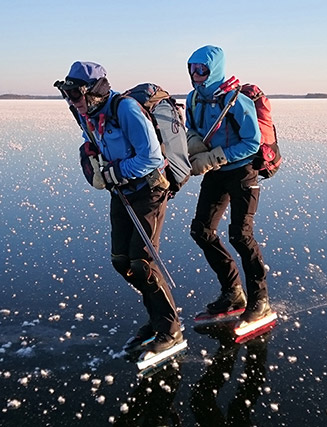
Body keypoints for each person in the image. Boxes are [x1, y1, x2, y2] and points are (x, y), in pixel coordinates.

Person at [54, 61, 183, 355]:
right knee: (121, 261)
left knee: (142, 263)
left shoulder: (125, 110)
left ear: (93, 91)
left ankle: (170, 329)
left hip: (149, 189)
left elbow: (151, 158)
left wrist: (114, 172)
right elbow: (92, 140)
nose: (71, 102)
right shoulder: (84, 112)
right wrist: (91, 158)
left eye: (75, 95)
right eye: (68, 95)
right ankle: (157, 319)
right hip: (122, 191)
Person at [184, 45, 273, 326]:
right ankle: (233, 292)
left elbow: (251, 143)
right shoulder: (193, 99)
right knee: (202, 231)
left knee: (240, 236)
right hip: (217, 173)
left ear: (215, 70)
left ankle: (260, 300)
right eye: (192, 69)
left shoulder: (236, 100)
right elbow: (191, 128)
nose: (197, 75)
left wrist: (216, 156)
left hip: (242, 172)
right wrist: (193, 143)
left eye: (202, 69)